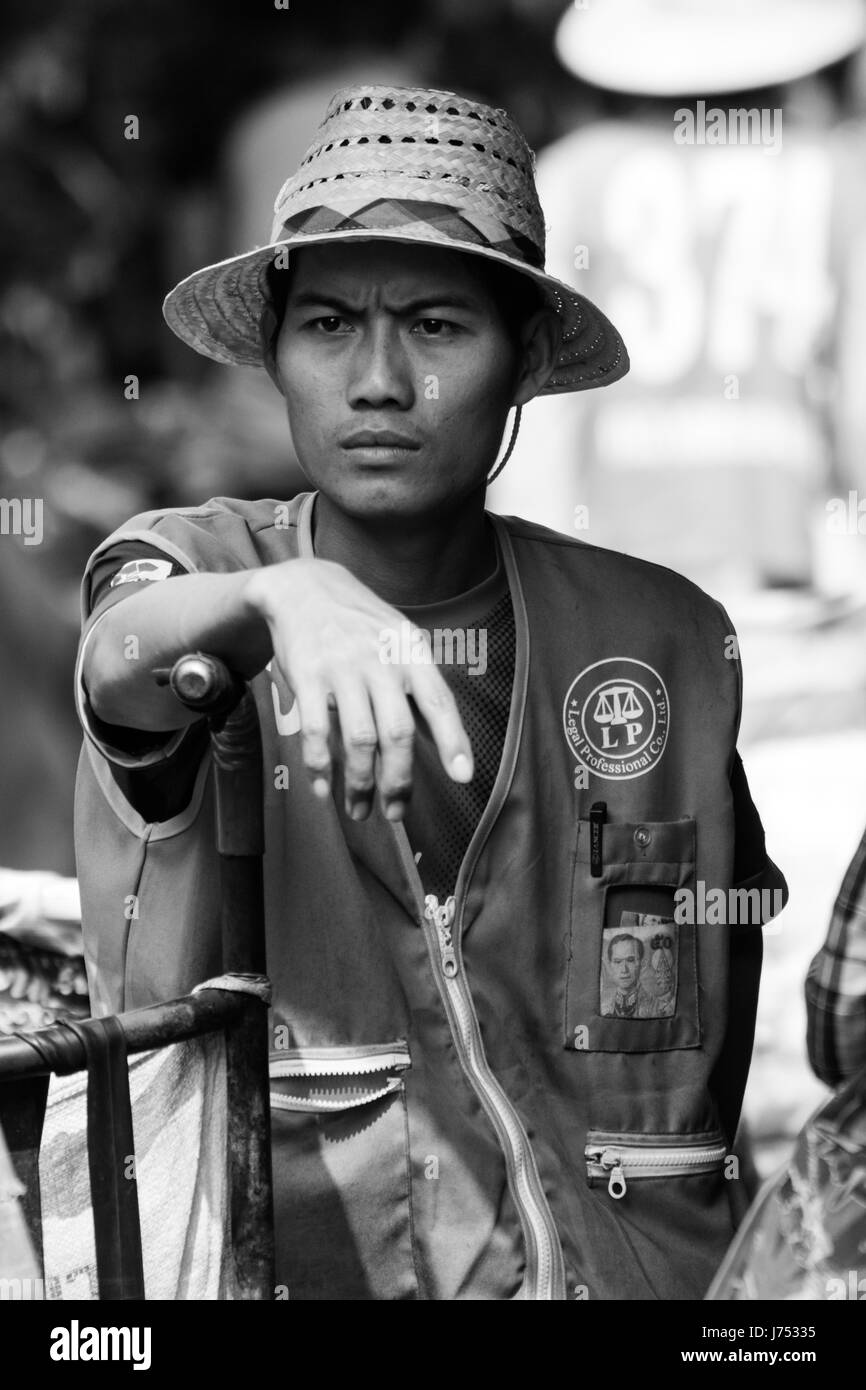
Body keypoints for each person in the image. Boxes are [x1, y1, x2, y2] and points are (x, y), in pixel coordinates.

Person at [74, 84, 786, 1301]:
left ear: (519, 363)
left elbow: (720, 1019)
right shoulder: (201, 572)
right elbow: (120, 658)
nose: (379, 380)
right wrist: (279, 606)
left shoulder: (660, 635)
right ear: (278, 355)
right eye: (332, 324)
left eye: (439, 326)